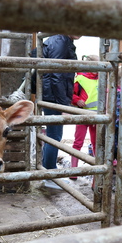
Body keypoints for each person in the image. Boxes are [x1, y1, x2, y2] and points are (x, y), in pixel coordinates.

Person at [40, 34, 80, 189]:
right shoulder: (61, 41)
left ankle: (47, 172)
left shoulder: (59, 40)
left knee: (53, 135)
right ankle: (50, 176)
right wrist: (63, 104)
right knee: (54, 136)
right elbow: (57, 74)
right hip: (54, 98)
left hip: (51, 96)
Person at [70, 55, 99, 180]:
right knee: (78, 141)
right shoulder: (80, 79)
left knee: (97, 143)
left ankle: (97, 168)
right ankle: (74, 170)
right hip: (82, 115)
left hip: (97, 116)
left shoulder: (102, 78)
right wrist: (77, 100)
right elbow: (71, 94)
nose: (98, 69)